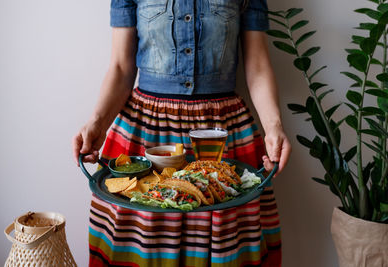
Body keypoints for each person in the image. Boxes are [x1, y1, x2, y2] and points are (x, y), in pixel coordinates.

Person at [73, 0, 291, 266]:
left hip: (220, 135)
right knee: (140, 246)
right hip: (146, 135)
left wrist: (274, 127)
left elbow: (257, 65)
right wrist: (96, 123)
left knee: (228, 245)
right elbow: (121, 68)